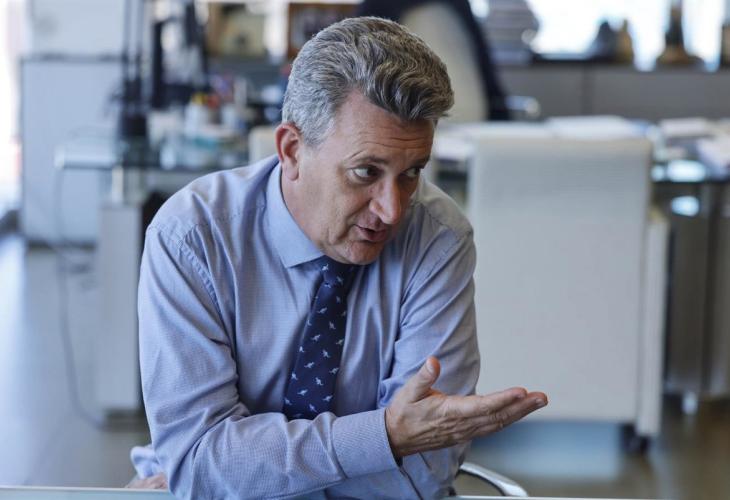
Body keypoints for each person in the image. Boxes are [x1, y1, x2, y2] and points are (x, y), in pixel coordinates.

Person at [131, 16, 547, 499]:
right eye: (365, 172)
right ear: (291, 150)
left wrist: (241, 474)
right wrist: (387, 437)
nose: (392, 210)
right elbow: (199, 464)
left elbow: (423, 474)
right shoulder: (192, 238)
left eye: (411, 173)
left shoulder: (438, 238)